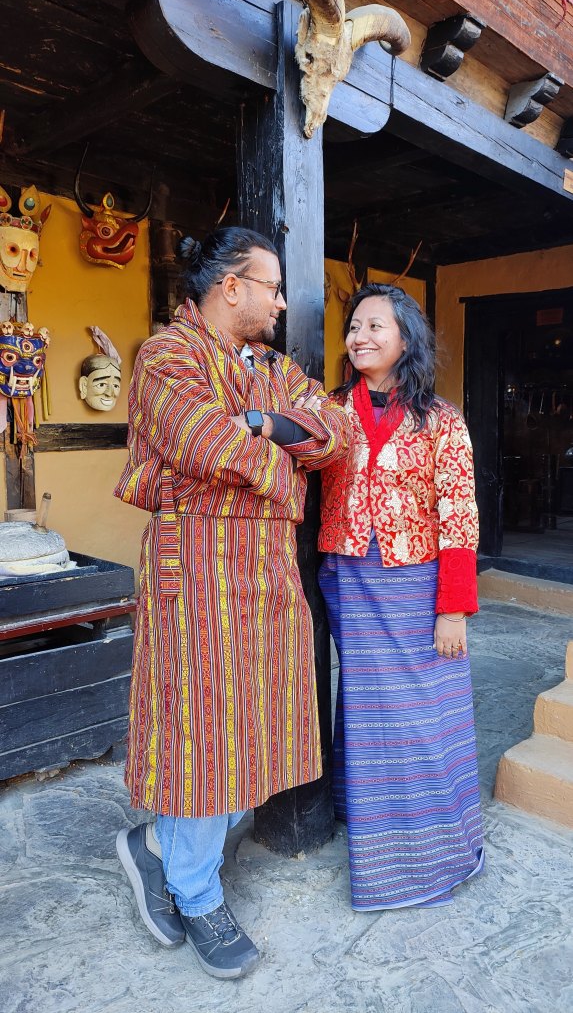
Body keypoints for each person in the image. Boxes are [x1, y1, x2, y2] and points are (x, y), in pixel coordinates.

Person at [113, 226, 349, 978]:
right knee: (199, 730)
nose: (281, 301)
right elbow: (196, 439)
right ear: (229, 287)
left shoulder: (276, 370)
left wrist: (272, 426)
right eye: (271, 285)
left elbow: (336, 434)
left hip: (265, 574)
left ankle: (155, 845)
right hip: (198, 574)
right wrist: (284, 477)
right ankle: (195, 889)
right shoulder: (165, 356)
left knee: (249, 729)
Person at [318, 283, 484, 911]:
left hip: (418, 586)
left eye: (374, 326)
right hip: (348, 578)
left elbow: (460, 517)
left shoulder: (441, 419)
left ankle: (433, 853)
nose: (359, 336)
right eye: (354, 326)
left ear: (406, 339)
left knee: (423, 712)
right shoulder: (330, 411)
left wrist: (452, 609)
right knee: (366, 708)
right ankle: (365, 823)